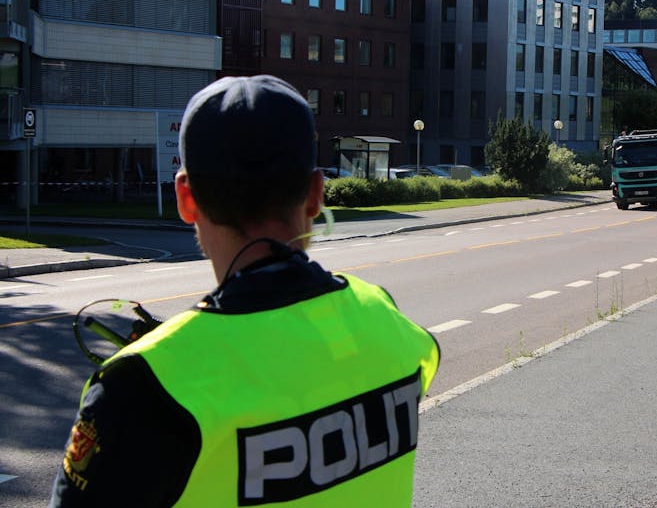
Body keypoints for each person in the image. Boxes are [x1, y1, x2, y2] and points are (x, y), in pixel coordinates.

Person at [50, 75, 440, 508]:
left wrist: (179, 352)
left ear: (185, 197)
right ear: (315, 194)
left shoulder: (141, 388)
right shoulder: (383, 316)